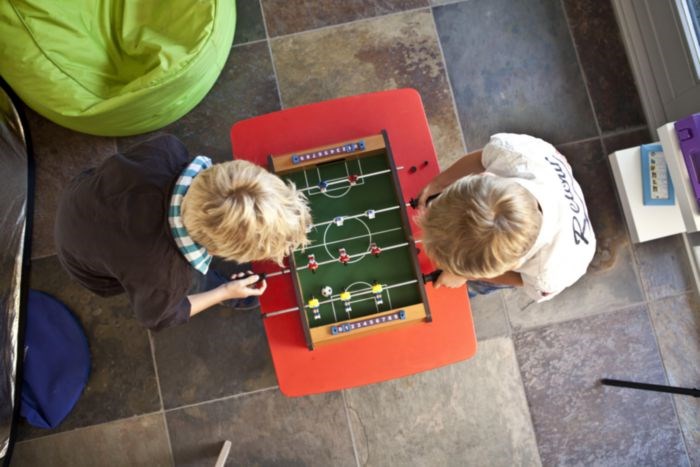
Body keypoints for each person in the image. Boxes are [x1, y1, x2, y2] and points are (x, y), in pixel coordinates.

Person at [54, 134, 311, 330]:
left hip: (80, 198)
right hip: (86, 267)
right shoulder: (165, 278)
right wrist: (224, 292)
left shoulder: (167, 149)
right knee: (192, 281)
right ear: (215, 251)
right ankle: (222, 289)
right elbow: (159, 318)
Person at [416, 133, 595, 302]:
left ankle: (471, 286)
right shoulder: (514, 153)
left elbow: (522, 280)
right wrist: (438, 184)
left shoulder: (551, 274)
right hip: (544, 164)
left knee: (475, 286)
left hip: (569, 250)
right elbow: (481, 159)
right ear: (483, 177)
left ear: (512, 264)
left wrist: (463, 275)